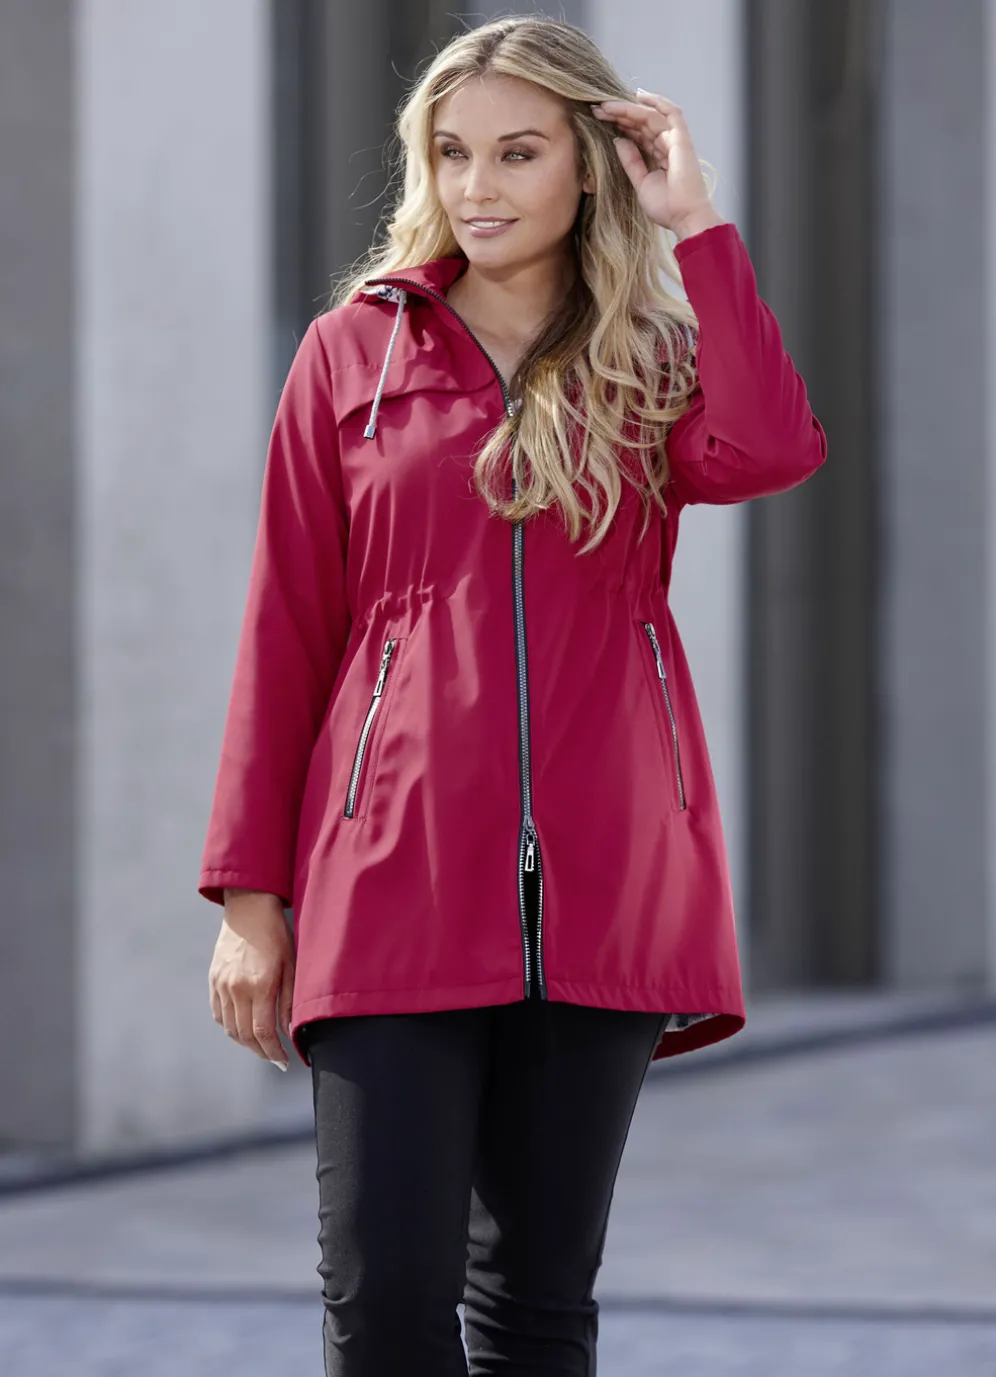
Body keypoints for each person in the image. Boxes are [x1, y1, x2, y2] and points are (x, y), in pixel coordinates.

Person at [201, 14, 826, 1375]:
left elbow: (773, 449)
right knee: (383, 1306)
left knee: (538, 1311)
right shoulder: (354, 354)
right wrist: (252, 897)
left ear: (590, 165)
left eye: (518, 152)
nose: (477, 185)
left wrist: (696, 226)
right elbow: (287, 629)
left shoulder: (653, 358)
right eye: (452, 151)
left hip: (608, 872)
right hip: (390, 871)